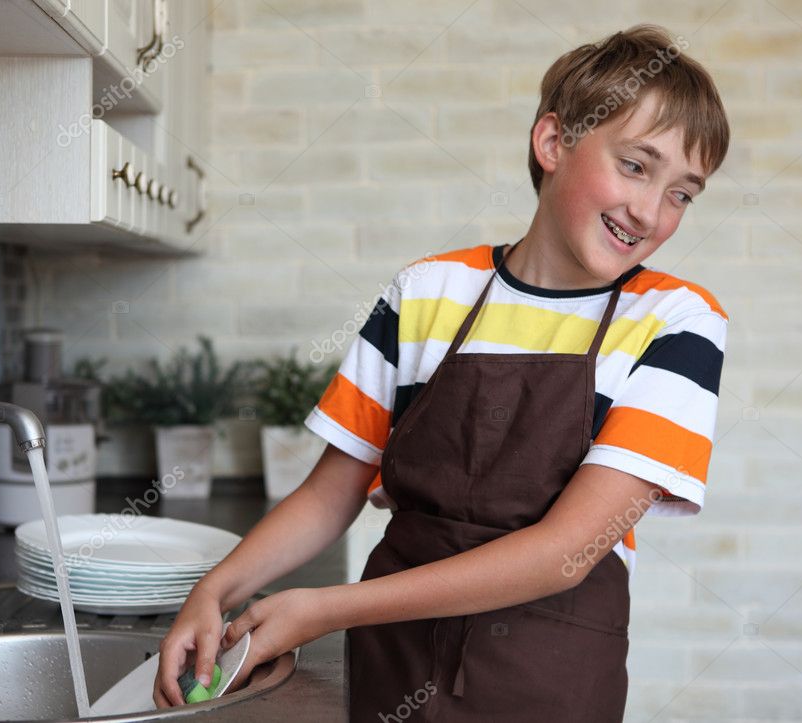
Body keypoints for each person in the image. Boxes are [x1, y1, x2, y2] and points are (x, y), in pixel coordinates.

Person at [153, 23, 730, 721]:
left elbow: (565, 553)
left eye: (682, 193)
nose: (650, 211)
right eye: (635, 166)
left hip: (548, 685)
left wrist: (325, 609)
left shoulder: (676, 321)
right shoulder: (425, 292)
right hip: (392, 666)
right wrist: (212, 591)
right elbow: (328, 493)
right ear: (553, 143)